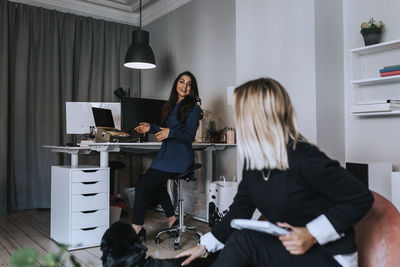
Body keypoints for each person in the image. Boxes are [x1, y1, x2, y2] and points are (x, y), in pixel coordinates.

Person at [176, 78, 373, 267]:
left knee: (244, 242)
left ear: (257, 117)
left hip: (330, 256)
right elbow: (239, 211)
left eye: (239, 112)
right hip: (290, 250)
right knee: (233, 245)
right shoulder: (255, 162)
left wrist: (311, 234)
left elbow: (361, 198)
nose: (236, 118)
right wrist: (203, 247)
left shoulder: (304, 157)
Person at [131, 71, 202, 241]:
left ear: (192, 88)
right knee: (156, 185)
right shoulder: (169, 105)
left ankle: (136, 228)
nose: (184, 86)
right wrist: (151, 127)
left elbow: (189, 136)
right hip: (166, 155)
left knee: (142, 186)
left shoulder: (193, 108)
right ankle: (172, 219)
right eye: (181, 82)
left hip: (179, 157)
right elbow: (166, 130)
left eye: (189, 84)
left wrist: (170, 133)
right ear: (176, 84)